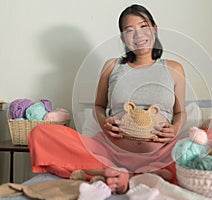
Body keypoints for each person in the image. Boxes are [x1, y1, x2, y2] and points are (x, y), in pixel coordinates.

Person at [28, 4, 186, 194]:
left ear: (155, 28)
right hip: (108, 153)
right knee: (41, 134)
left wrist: (175, 128)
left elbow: (180, 112)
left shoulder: (174, 69)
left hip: (159, 154)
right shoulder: (112, 67)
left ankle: (127, 175)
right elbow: (99, 105)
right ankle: (115, 172)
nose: (138, 35)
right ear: (123, 38)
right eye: (129, 31)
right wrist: (103, 123)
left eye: (144, 26)